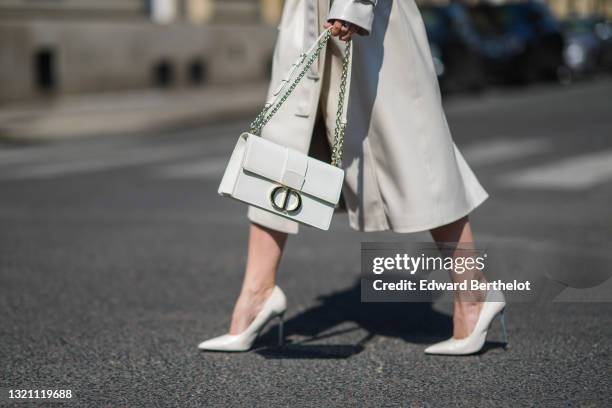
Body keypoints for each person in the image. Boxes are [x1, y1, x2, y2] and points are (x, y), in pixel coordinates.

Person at [198, 0, 506, 355]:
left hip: (373, 25)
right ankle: (256, 294)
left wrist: (354, 4)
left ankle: (474, 293)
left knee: (416, 157)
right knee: (280, 150)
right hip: (306, 17)